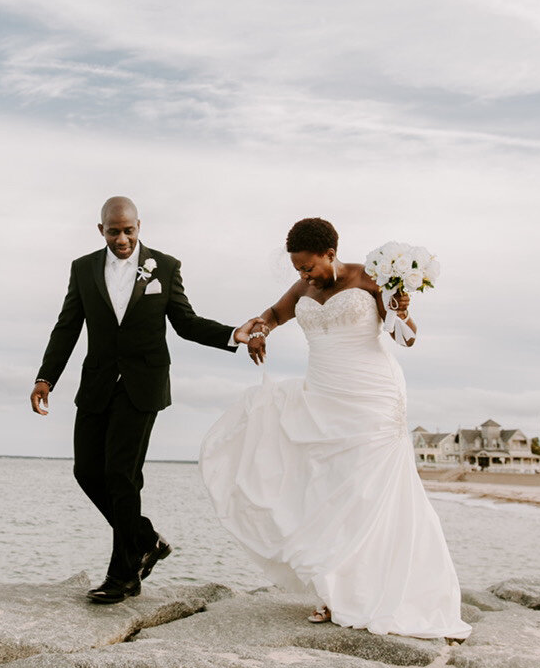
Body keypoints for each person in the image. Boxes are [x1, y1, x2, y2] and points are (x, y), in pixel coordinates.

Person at [199, 217, 470, 639]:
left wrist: (400, 309)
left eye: (309, 267)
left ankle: (371, 592)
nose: (304, 275)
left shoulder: (371, 277)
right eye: (298, 270)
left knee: (366, 492)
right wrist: (260, 331)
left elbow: (407, 339)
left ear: (331, 254)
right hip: (322, 394)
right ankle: (335, 589)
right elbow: (274, 313)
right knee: (328, 490)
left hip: (372, 394)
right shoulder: (304, 289)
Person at [32, 196, 262, 604]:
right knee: (86, 471)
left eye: (129, 230)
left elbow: (186, 323)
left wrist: (233, 335)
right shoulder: (83, 269)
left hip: (142, 385)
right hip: (98, 384)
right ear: (100, 229)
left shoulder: (165, 266)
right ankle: (144, 540)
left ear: (140, 226)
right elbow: (67, 326)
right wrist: (46, 377)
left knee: (121, 475)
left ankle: (123, 576)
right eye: (113, 230)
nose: (122, 238)